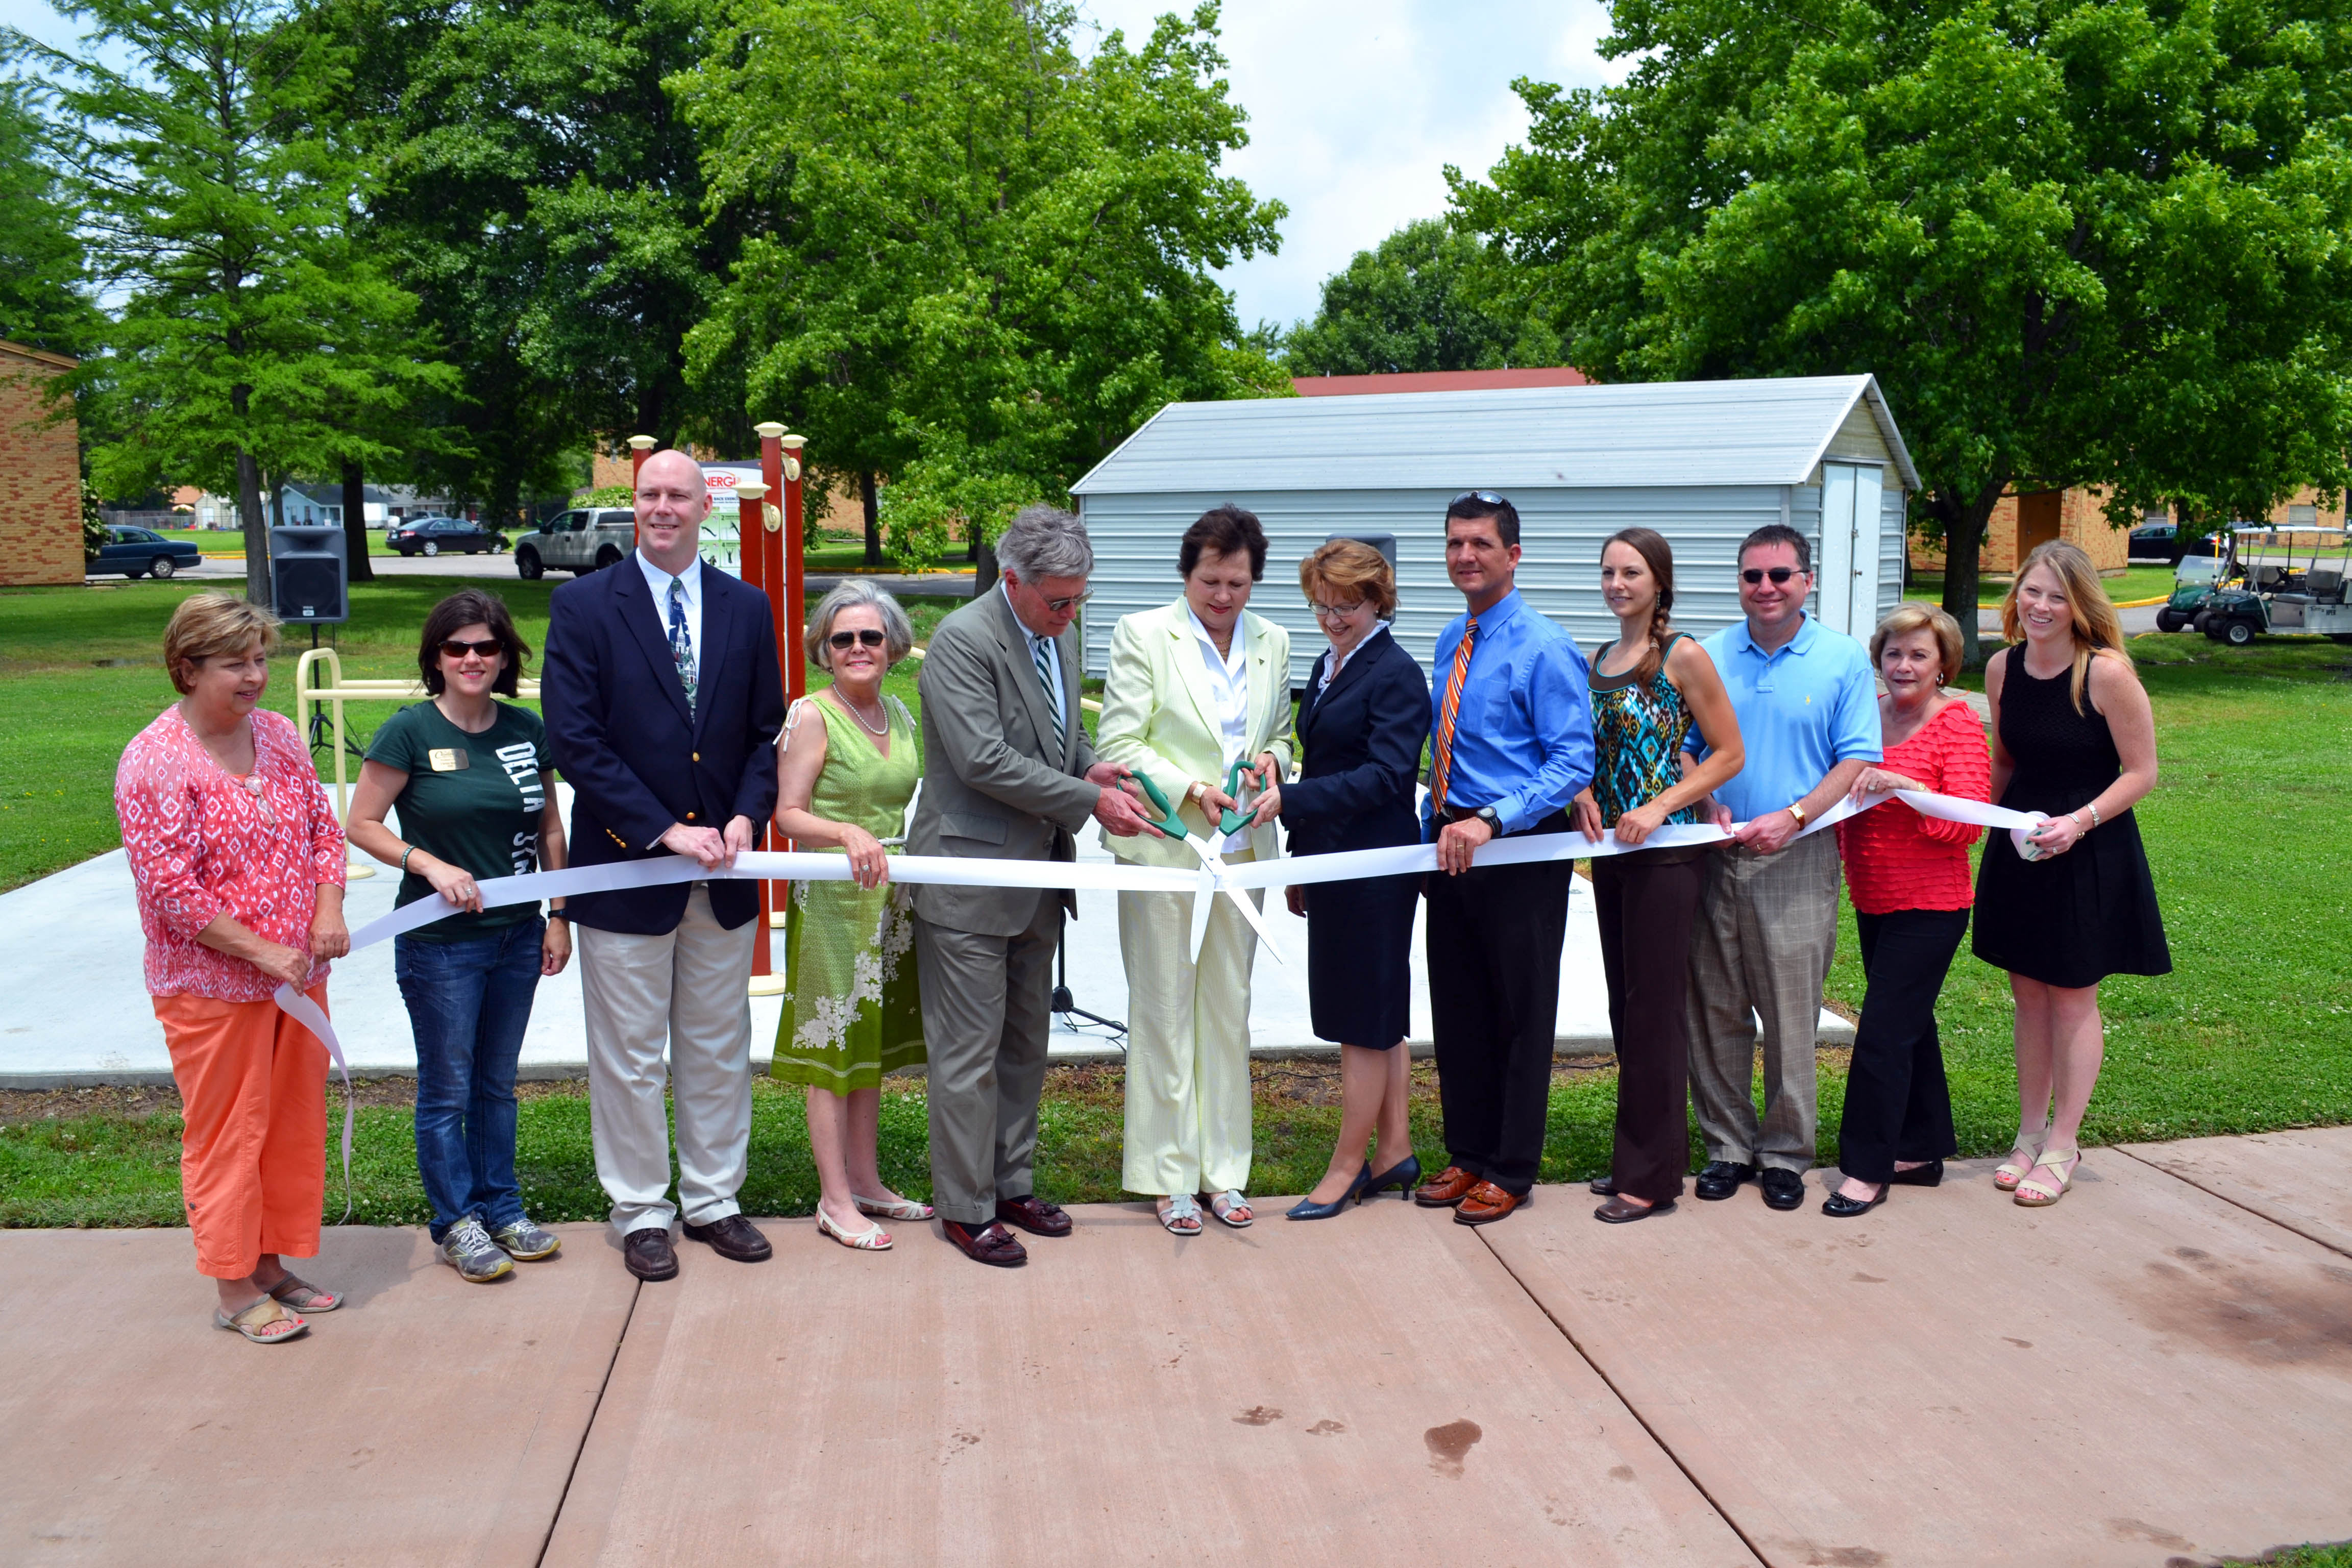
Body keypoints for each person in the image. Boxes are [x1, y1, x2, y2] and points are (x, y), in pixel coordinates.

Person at [541, 448, 787, 1283]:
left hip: (723, 872)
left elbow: (765, 730)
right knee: (631, 1053)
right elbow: (577, 740)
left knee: (718, 1045)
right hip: (622, 867)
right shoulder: (582, 606)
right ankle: (642, 1209)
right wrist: (661, 830)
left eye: (678, 494)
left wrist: (748, 813)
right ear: (633, 503)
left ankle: (714, 1199)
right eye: (649, 493)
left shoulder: (745, 607)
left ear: (703, 505)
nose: (662, 507)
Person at [908, 503, 1162, 1266]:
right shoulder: (961, 642)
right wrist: (1091, 802)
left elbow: (1056, 735)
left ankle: (1010, 1185)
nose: (1071, 613)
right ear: (1011, 579)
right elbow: (983, 759)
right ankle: (963, 1206)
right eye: (1059, 600)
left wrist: (1090, 764)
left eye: (1079, 599)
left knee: (1025, 1047)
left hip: (1038, 876)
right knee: (968, 1056)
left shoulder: (1056, 628)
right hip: (970, 882)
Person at [116, 594, 350, 1343]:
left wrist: (326, 913)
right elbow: (170, 889)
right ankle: (231, 1287)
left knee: (287, 1127)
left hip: (297, 979)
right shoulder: (155, 760)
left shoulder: (280, 736)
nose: (255, 677)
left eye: (260, 660)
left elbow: (323, 833)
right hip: (213, 987)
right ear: (186, 669)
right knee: (229, 1135)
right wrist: (259, 950)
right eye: (235, 664)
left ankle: (271, 1267)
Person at [348, 590, 572, 1281]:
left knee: (497, 1085)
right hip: (440, 944)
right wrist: (429, 863)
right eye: (457, 648)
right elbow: (362, 823)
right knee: (448, 1086)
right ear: (436, 658)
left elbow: (550, 828)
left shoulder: (527, 729)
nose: (472, 659)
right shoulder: (409, 732)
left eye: (486, 647)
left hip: (516, 937)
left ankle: (503, 1209)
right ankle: (457, 1222)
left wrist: (558, 913)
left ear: (505, 656)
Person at [1096, 504, 1294, 1235]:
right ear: (1187, 574)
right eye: (1211, 580)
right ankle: (1168, 1175)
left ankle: (1224, 1173)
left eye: (1237, 583)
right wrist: (1190, 789)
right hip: (1168, 849)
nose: (1223, 596)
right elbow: (1122, 740)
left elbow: (1277, 730)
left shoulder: (1274, 640)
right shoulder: (1142, 634)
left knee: (1226, 1010)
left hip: (1243, 852)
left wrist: (1276, 760)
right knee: (1164, 1009)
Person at [1683, 524, 1881, 1212]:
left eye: (1779, 576)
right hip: (1714, 855)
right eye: (1752, 576)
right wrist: (1706, 806)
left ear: (1808, 581)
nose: (1765, 588)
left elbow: (1855, 758)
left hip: (1799, 856)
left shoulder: (1842, 658)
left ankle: (1786, 1153)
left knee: (1793, 1013)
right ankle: (1728, 1147)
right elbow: (1684, 746)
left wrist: (1794, 817)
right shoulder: (1705, 655)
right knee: (1714, 1008)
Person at [1412, 491, 1596, 1226]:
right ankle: (1468, 1152)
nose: (1466, 556)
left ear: (1513, 555)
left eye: (1481, 544)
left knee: (1520, 1013)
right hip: (1448, 847)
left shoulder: (1546, 646)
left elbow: (1571, 759)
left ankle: (1512, 1168)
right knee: (1458, 1008)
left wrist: (1493, 819)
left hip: (1517, 849)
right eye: (1456, 542)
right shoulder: (1450, 638)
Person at [1973, 540, 2168, 1207]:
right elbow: (2004, 763)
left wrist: (2079, 822)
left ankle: (2063, 1142)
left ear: (2080, 604)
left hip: (2088, 847)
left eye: (2057, 596)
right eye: (2032, 591)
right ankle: (2029, 1133)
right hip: (2022, 848)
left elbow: (2142, 774)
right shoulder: (2002, 668)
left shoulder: (2106, 673)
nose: (2042, 607)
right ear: (2016, 595)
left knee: (2071, 997)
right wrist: (1987, 825)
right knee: (2028, 993)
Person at [1571, 529, 1744, 1223]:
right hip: (1610, 857)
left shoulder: (1681, 656)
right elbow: (1586, 750)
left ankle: (1651, 1180)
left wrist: (1661, 806)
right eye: (1609, 571)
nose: (1617, 583)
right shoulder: (1599, 659)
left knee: (1655, 1014)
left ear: (1659, 582)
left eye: (1631, 572)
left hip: (1667, 855)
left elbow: (1728, 753)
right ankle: (1635, 1158)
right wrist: (1581, 791)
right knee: (1625, 1010)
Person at [1271, 538, 1430, 1220]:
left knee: (1363, 1020)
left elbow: (1390, 777)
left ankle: (1348, 1166)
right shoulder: (1332, 661)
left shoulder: (1395, 673)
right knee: (1377, 1014)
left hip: (1375, 866)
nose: (1332, 619)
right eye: (1322, 605)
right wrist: (1301, 855)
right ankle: (1395, 1147)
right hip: (1334, 860)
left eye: (1348, 606)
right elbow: (1322, 760)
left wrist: (1292, 803)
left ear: (1378, 601)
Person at [770, 581, 929, 1252]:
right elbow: (787, 813)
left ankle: (866, 1181)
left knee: (871, 1047)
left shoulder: (901, 711)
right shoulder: (812, 715)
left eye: (870, 637)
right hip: (834, 903)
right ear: (824, 650)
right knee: (832, 1051)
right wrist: (844, 834)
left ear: (893, 645)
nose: (858, 648)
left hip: (891, 904)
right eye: (843, 639)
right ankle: (834, 1199)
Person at [1821, 604, 1990, 1217]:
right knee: (1911, 1027)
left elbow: (1968, 825)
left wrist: (1909, 788)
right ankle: (1919, 1150)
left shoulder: (1958, 723)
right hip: (1875, 896)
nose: (1904, 665)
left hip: (1932, 904)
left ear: (1944, 664)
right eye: (1894, 653)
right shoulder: (1871, 716)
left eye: (1919, 654)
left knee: (1884, 1035)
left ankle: (1866, 1170)